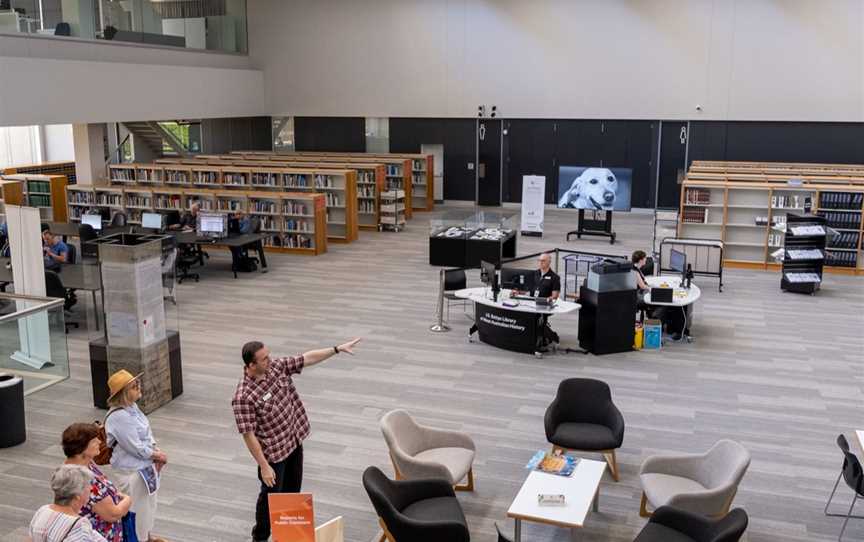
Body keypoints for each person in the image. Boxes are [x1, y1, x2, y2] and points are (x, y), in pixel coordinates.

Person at [232, 337, 362, 542]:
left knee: (293, 494)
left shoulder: (275, 368)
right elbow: (248, 435)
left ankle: (288, 535)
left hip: (293, 443)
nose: (270, 360)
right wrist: (264, 466)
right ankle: (260, 537)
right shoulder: (243, 396)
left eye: (269, 355)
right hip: (274, 457)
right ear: (250, 365)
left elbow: (306, 359)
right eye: (265, 359)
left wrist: (336, 349)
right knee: (269, 499)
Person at [104, 370, 168, 542]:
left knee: (148, 506)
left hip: (144, 467)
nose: (139, 387)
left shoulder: (132, 408)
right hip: (131, 470)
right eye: (134, 386)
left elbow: (147, 433)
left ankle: (147, 537)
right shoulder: (119, 417)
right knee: (137, 511)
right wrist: (157, 455)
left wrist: (155, 452)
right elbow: (135, 447)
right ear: (124, 393)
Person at [62, 423, 132, 542]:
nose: (100, 442)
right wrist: (127, 500)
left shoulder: (81, 464)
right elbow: (112, 514)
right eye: (94, 440)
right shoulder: (84, 478)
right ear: (82, 448)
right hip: (97, 535)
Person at [29, 464, 108, 542]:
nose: (91, 488)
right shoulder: (78, 527)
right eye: (88, 485)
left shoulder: (43, 510)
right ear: (78, 495)